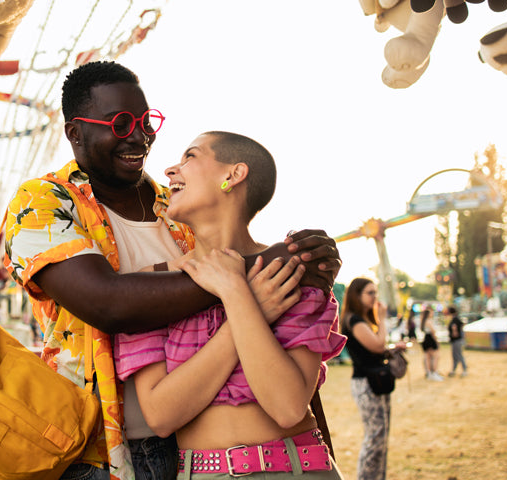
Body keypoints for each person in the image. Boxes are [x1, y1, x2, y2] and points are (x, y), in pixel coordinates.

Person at [4, 60, 342, 480]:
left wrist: (285, 271)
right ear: (75, 132)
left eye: (146, 121)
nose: (141, 136)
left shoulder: (180, 209)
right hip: (100, 450)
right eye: (121, 123)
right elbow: (109, 303)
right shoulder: (43, 202)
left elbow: (286, 361)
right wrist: (263, 271)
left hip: (190, 448)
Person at [113, 131, 347, 479]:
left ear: (232, 175)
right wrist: (252, 307)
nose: (170, 171)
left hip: (301, 468)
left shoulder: (294, 272)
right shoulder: (149, 286)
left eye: (190, 157)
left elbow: (286, 407)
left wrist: (235, 291)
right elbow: (161, 416)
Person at [340, 277, 406, 480]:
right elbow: (377, 345)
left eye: (375, 292)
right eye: (370, 292)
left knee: (381, 437)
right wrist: (382, 318)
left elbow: (375, 349)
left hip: (375, 381)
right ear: (356, 295)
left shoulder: (360, 319)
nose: (375, 297)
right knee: (375, 438)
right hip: (366, 383)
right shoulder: (354, 320)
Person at [420, 309, 443, 380]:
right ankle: (434, 372)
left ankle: (429, 373)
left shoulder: (423, 322)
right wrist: (436, 341)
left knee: (427, 357)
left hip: (426, 339)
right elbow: (433, 332)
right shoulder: (429, 321)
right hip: (430, 339)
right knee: (435, 357)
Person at [446, 306, 467, 377]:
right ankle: (454, 370)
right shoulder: (456, 319)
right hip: (456, 340)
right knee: (455, 355)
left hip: (456, 340)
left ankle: (464, 370)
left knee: (459, 355)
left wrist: (455, 332)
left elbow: (455, 328)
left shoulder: (455, 319)